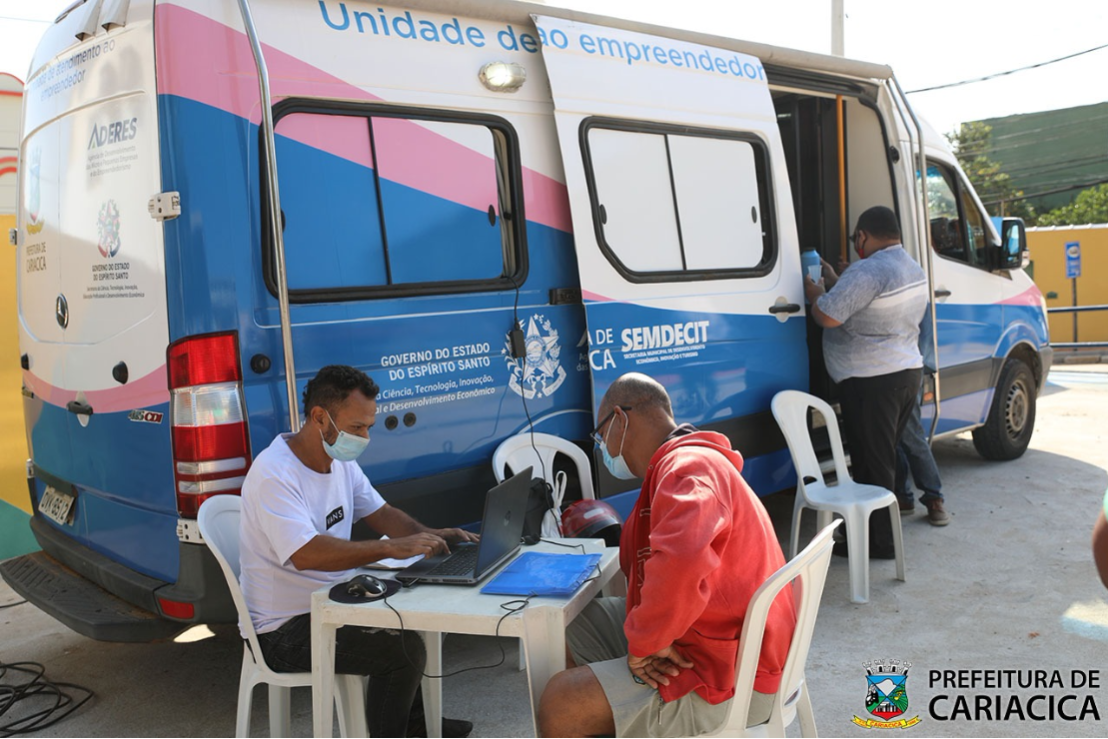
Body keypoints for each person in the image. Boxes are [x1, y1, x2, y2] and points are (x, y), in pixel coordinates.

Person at [537, 373, 795, 738]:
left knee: (562, 701)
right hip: (720, 643)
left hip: (731, 678)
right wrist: (651, 634)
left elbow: (682, 560)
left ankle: (621, 707)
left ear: (620, 420)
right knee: (567, 618)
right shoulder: (682, 465)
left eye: (601, 435)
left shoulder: (687, 470)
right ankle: (625, 708)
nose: (604, 449)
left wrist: (648, 642)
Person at [238, 365, 476, 738]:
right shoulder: (274, 474)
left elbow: (381, 514)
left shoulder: (339, 461)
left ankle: (415, 725)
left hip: (332, 603)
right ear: (320, 417)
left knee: (410, 613)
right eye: (356, 428)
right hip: (282, 630)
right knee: (402, 652)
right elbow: (306, 554)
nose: (364, 438)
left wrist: (432, 536)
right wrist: (394, 549)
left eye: (368, 427)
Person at [804, 206, 929, 559]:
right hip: (905, 375)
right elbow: (865, 300)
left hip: (872, 382)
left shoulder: (869, 270)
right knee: (882, 459)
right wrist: (837, 277)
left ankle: (879, 544)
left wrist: (816, 292)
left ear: (863, 236)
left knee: (872, 466)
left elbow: (828, 315)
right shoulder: (910, 266)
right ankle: (874, 535)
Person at [895, 306, 950, 526]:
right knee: (893, 436)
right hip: (880, 369)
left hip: (905, 367)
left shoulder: (906, 276)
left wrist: (921, 365)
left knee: (910, 433)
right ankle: (902, 497)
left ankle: (934, 497)